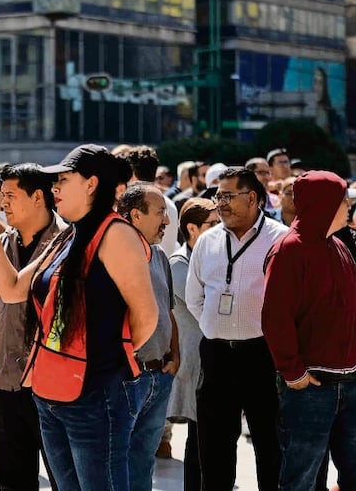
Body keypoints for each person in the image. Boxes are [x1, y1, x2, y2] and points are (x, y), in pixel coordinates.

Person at [0, 144, 158, 489]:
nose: (54, 188)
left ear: (91, 184)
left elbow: (146, 316)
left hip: (96, 395)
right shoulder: (68, 236)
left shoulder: (116, 235)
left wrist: (106, 366)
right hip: (51, 392)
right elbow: (11, 289)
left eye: (63, 180)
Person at [261, 171, 356, 491]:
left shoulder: (339, 246)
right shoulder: (287, 250)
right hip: (310, 388)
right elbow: (276, 318)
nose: (349, 207)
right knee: (301, 476)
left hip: (355, 383)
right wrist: (293, 372)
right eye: (343, 201)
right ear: (323, 205)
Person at [0, 163, 67, 491]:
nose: (3, 203)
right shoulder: (0, 248)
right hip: (5, 385)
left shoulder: (66, 244)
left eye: (9, 195)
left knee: (65, 479)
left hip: (54, 390)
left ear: (38, 197)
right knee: (11, 481)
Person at [185, 166, 287, 491]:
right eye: (218, 196)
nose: (221, 204)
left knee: (270, 448)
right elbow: (194, 297)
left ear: (253, 198)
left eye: (228, 196)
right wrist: (218, 327)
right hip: (216, 356)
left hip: (263, 355)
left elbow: (288, 303)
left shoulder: (279, 239)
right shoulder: (207, 242)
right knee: (213, 453)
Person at [117, 182, 180, 491]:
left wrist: (175, 356)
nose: (166, 221)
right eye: (159, 213)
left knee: (144, 461)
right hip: (128, 377)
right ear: (134, 216)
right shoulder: (111, 259)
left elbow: (168, 311)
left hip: (159, 375)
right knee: (117, 461)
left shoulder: (158, 257)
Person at [168, 198, 218, 491]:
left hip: (212, 363)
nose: (220, 229)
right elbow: (210, 307)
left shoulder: (211, 257)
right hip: (195, 365)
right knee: (199, 443)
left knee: (210, 440)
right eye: (212, 224)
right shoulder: (179, 263)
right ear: (192, 229)